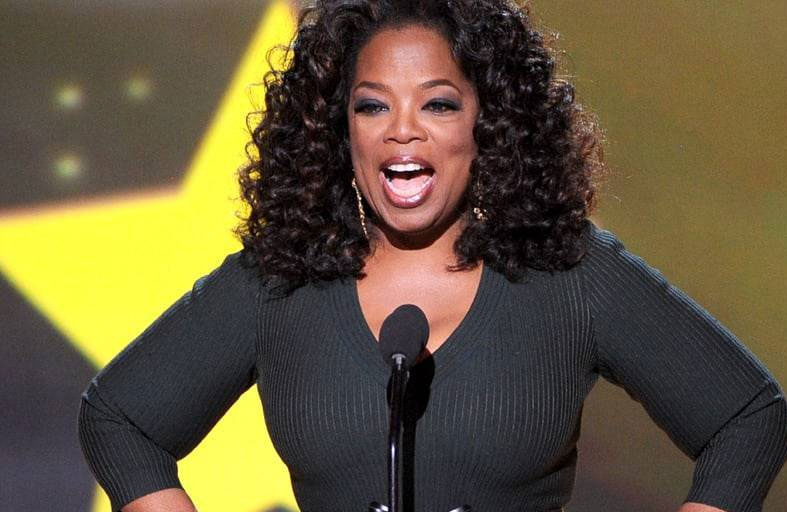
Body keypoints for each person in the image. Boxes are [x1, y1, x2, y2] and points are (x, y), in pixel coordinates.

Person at [77, 1, 787, 511]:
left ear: (489, 121)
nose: (402, 132)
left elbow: (748, 418)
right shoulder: (280, 278)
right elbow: (120, 419)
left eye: (438, 104)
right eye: (372, 106)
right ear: (339, 129)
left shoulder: (568, 271)